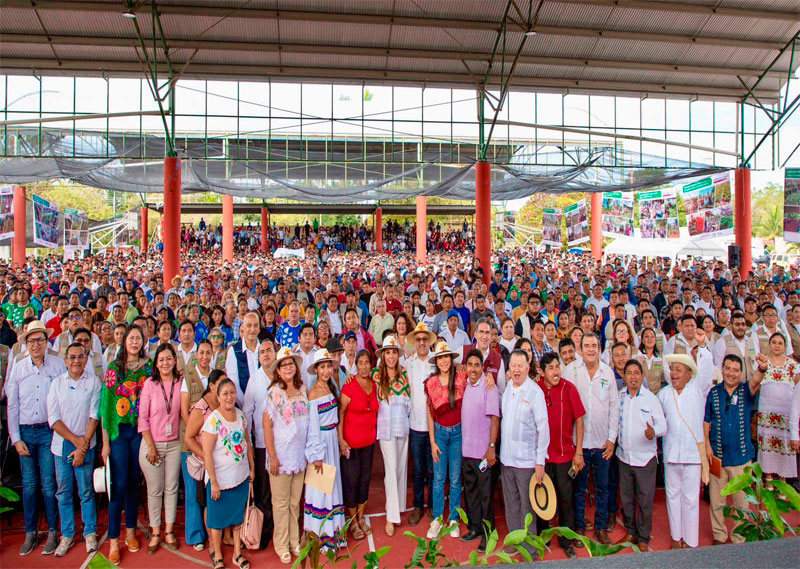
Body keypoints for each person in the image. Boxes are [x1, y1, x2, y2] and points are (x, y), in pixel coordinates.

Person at [5, 320, 66, 556]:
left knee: (49, 484)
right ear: (26, 343)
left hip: (49, 431)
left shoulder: (58, 365)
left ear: (47, 340)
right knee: (30, 486)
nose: (36, 344)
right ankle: (31, 532)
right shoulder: (19, 368)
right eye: (32, 340)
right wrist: (16, 438)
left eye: (41, 339)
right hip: (26, 433)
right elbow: (13, 405)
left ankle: (53, 531)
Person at [99, 324, 153, 564]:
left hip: (140, 431)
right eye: (131, 338)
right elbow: (106, 406)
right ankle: (113, 540)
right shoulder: (114, 368)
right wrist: (105, 443)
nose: (134, 342)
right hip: (118, 432)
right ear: (124, 341)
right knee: (117, 485)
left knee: (133, 482)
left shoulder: (149, 368)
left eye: (138, 338)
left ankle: (131, 531)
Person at [564, 332, 618, 545]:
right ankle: (578, 527)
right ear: (581, 348)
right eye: (586, 345)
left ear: (599, 347)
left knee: (603, 489)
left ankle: (600, 528)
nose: (590, 349)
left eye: (594, 345)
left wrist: (612, 439)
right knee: (579, 489)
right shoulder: (570, 371)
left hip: (602, 444)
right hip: (579, 445)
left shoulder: (608, 372)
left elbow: (614, 407)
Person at [47, 341, 101, 557]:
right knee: (64, 493)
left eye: (81, 357)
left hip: (86, 443)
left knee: (86, 491)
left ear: (86, 360)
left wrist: (83, 445)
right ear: (66, 360)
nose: (76, 361)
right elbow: (54, 419)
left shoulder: (94, 382)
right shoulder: (57, 383)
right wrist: (76, 442)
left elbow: (94, 415)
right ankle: (67, 535)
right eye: (72, 357)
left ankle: (90, 532)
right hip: (62, 445)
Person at [659, 337, 713, 550]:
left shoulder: (697, 390)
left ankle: (690, 542)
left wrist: (701, 347)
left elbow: (706, 371)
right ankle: (675, 538)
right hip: (671, 454)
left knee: (691, 500)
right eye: (672, 369)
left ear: (689, 373)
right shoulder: (663, 394)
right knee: (672, 498)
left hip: (692, 455)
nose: (673, 373)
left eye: (679, 369)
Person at [703, 354, 760, 545]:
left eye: (736, 370)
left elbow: (757, 380)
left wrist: (762, 368)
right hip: (717, 457)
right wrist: (707, 446)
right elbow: (707, 420)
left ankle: (739, 538)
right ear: (722, 369)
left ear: (741, 373)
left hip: (741, 459)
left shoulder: (747, 390)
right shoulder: (714, 393)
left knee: (742, 503)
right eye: (728, 368)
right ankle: (719, 536)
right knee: (716, 503)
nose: (731, 373)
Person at [536, 351, 585, 558]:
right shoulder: (535, 389)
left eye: (558, 367)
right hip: (542, 458)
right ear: (542, 371)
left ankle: (566, 540)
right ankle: (541, 538)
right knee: (541, 501)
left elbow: (580, 420)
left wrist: (579, 452)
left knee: (565, 501)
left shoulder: (569, 388)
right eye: (551, 368)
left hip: (565, 456)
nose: (556, 371)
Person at [202, 378, 255, 569]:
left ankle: (237, 554)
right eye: (225, 393)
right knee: (216, 520)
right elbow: (207, 453)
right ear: (218, 396)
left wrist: (252, 468)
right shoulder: (213, 420)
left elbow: (247, 443)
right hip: (220, 481)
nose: (229, 397)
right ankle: (217, 555)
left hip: (239, 477)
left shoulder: (241, 416)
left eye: (232, 392)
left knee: (237, 518)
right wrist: (213, 482)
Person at [263, 347, 309, 564]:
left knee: (294, 502)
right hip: (280, 457)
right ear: (278, 371)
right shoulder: (273, 393)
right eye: (284, 365)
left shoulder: (303, 389)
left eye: (291, 364)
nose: (289, 368)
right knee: (280, 504)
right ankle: (281, 544)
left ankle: (293, 541)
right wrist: (272, 457)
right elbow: (266, 427)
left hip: (298, 456)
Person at [500, 350, 549, 557]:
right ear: (509, 368)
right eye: (513, 365)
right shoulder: (508, 388)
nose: (516, 369)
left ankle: (529, 549)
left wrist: (540, 462)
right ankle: (514, 540)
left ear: (528, 368)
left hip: (527, 462)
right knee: (511, 504)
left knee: (527, 508)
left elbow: (543, 428)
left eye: (521, 365)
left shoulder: (535, 392)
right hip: (506, 458)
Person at [615, 359, 666, 552]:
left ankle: (644, 537)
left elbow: (663, 425)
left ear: (642, 376)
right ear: (625, 376)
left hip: (645, 459)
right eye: (629, 373)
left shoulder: (651, 399)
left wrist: (654, 431)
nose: (633, 377)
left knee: (645, 499)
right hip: (624, 457)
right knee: (627, 498)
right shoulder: (621, 397)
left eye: (637, 373)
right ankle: (631, 531)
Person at [138, 343, 183, 553]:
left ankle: (169, 530)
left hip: (174, 444)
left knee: (172, 488)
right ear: (156, 363)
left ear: (175, 360)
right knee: (155, 490)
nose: (165, 363)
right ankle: (156, 531)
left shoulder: (180, 382)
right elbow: (143, 418)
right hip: (152, 444)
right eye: (161, 359)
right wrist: (151, 446)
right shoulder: (149, 384)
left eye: (169, 358)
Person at [304, 349, 346, 550]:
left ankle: (335, 532)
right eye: (322, 367)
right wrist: (317, 455)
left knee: (333, 486)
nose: (326, 370)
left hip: (331, 441)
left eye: (328, 366)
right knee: (321, 488)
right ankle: (322, 534)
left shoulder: (331, 388)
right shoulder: (313, 394)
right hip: (321, 444)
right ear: (316, 370)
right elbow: (313, 428)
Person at [459, 348, 500, 553]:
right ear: (465, 367)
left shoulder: (489, 386)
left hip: (484, 453)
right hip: (467, 452)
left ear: (482, 367)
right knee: (472, 493)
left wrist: (491, 447)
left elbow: (495, 418)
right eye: (470, 365)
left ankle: (488, 532)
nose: (473, 369)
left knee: (485, 496)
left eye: (477, 365)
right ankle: (474, 527)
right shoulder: (464, 384)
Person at [425, 341, 466, 539]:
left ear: (451, 359)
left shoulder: (461, 377)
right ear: (436, 361)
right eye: (440, 357)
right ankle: (437, 518)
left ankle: (454, 519)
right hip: (440, 434)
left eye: (446, 357)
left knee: (456, 479)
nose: (443, 361)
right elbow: (430, 414)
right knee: (439, 479)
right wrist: (432, 441)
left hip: (458, 434)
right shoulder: (431, 383)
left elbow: (478, 374)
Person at [338, 349, 379, 540]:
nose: (363, 366)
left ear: (371, 365)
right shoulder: (350, 385)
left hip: (369, 442)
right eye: (360, 363)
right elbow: (342, 413)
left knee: (364, 481)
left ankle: (361, 518)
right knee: (351, 482)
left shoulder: (375, 383)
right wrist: (341, 439)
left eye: (367, 363)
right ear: (356, 365)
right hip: (351, 444)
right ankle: (353, 521)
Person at [373, 335, 411, 536]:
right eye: (387, 352)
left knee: (399, 469)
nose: (391, 356)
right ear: (383, 355)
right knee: (390, 468)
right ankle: (391, 516)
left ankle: (396, 505)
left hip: (402, 426)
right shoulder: (376, 375)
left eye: (394, 352)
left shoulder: (405, 373)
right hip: (386, 429)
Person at [242, 340, 278, 549]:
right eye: (262, 352)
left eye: (269, 351)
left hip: (283, 442)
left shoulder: (282, 374)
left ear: (275, 352)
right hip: (262, 444)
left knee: (280, 489)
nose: (265, 355)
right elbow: (247, 413)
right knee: (264, 490)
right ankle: (265, 531)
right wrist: (250, 443)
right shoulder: (254, 380)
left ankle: (281, 528)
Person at [754, 333, 799, 480]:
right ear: (769, 344)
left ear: (785, 345)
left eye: (780, 343)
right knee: (768, 447)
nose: (777, 345)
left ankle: (783, 482)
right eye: (774, 342)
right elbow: (757, 384)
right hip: (767, 413)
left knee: (784, 446)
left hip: (786, 414)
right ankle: (768, 480)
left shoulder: (793, 365)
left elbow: (798, 388)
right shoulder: (763, 363)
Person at [404, 321, 437, 526]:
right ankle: (418, 505)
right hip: (415, 424)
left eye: (425, 339)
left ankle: (433, 505)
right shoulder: (408, 363)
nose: (422, 342)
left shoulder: (436, 362)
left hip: (434, 426)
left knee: (433, 470)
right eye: (419, 339)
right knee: (418, 470)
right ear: (414, 342)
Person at [226, 312, 261, 406]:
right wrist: (247, 405)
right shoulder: (234, 351)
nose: (252, 330)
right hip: (243, 405)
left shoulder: (265, 348)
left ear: (259, 328)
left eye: (255, 325)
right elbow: (234, 383)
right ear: (243, 328)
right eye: (249, 326)